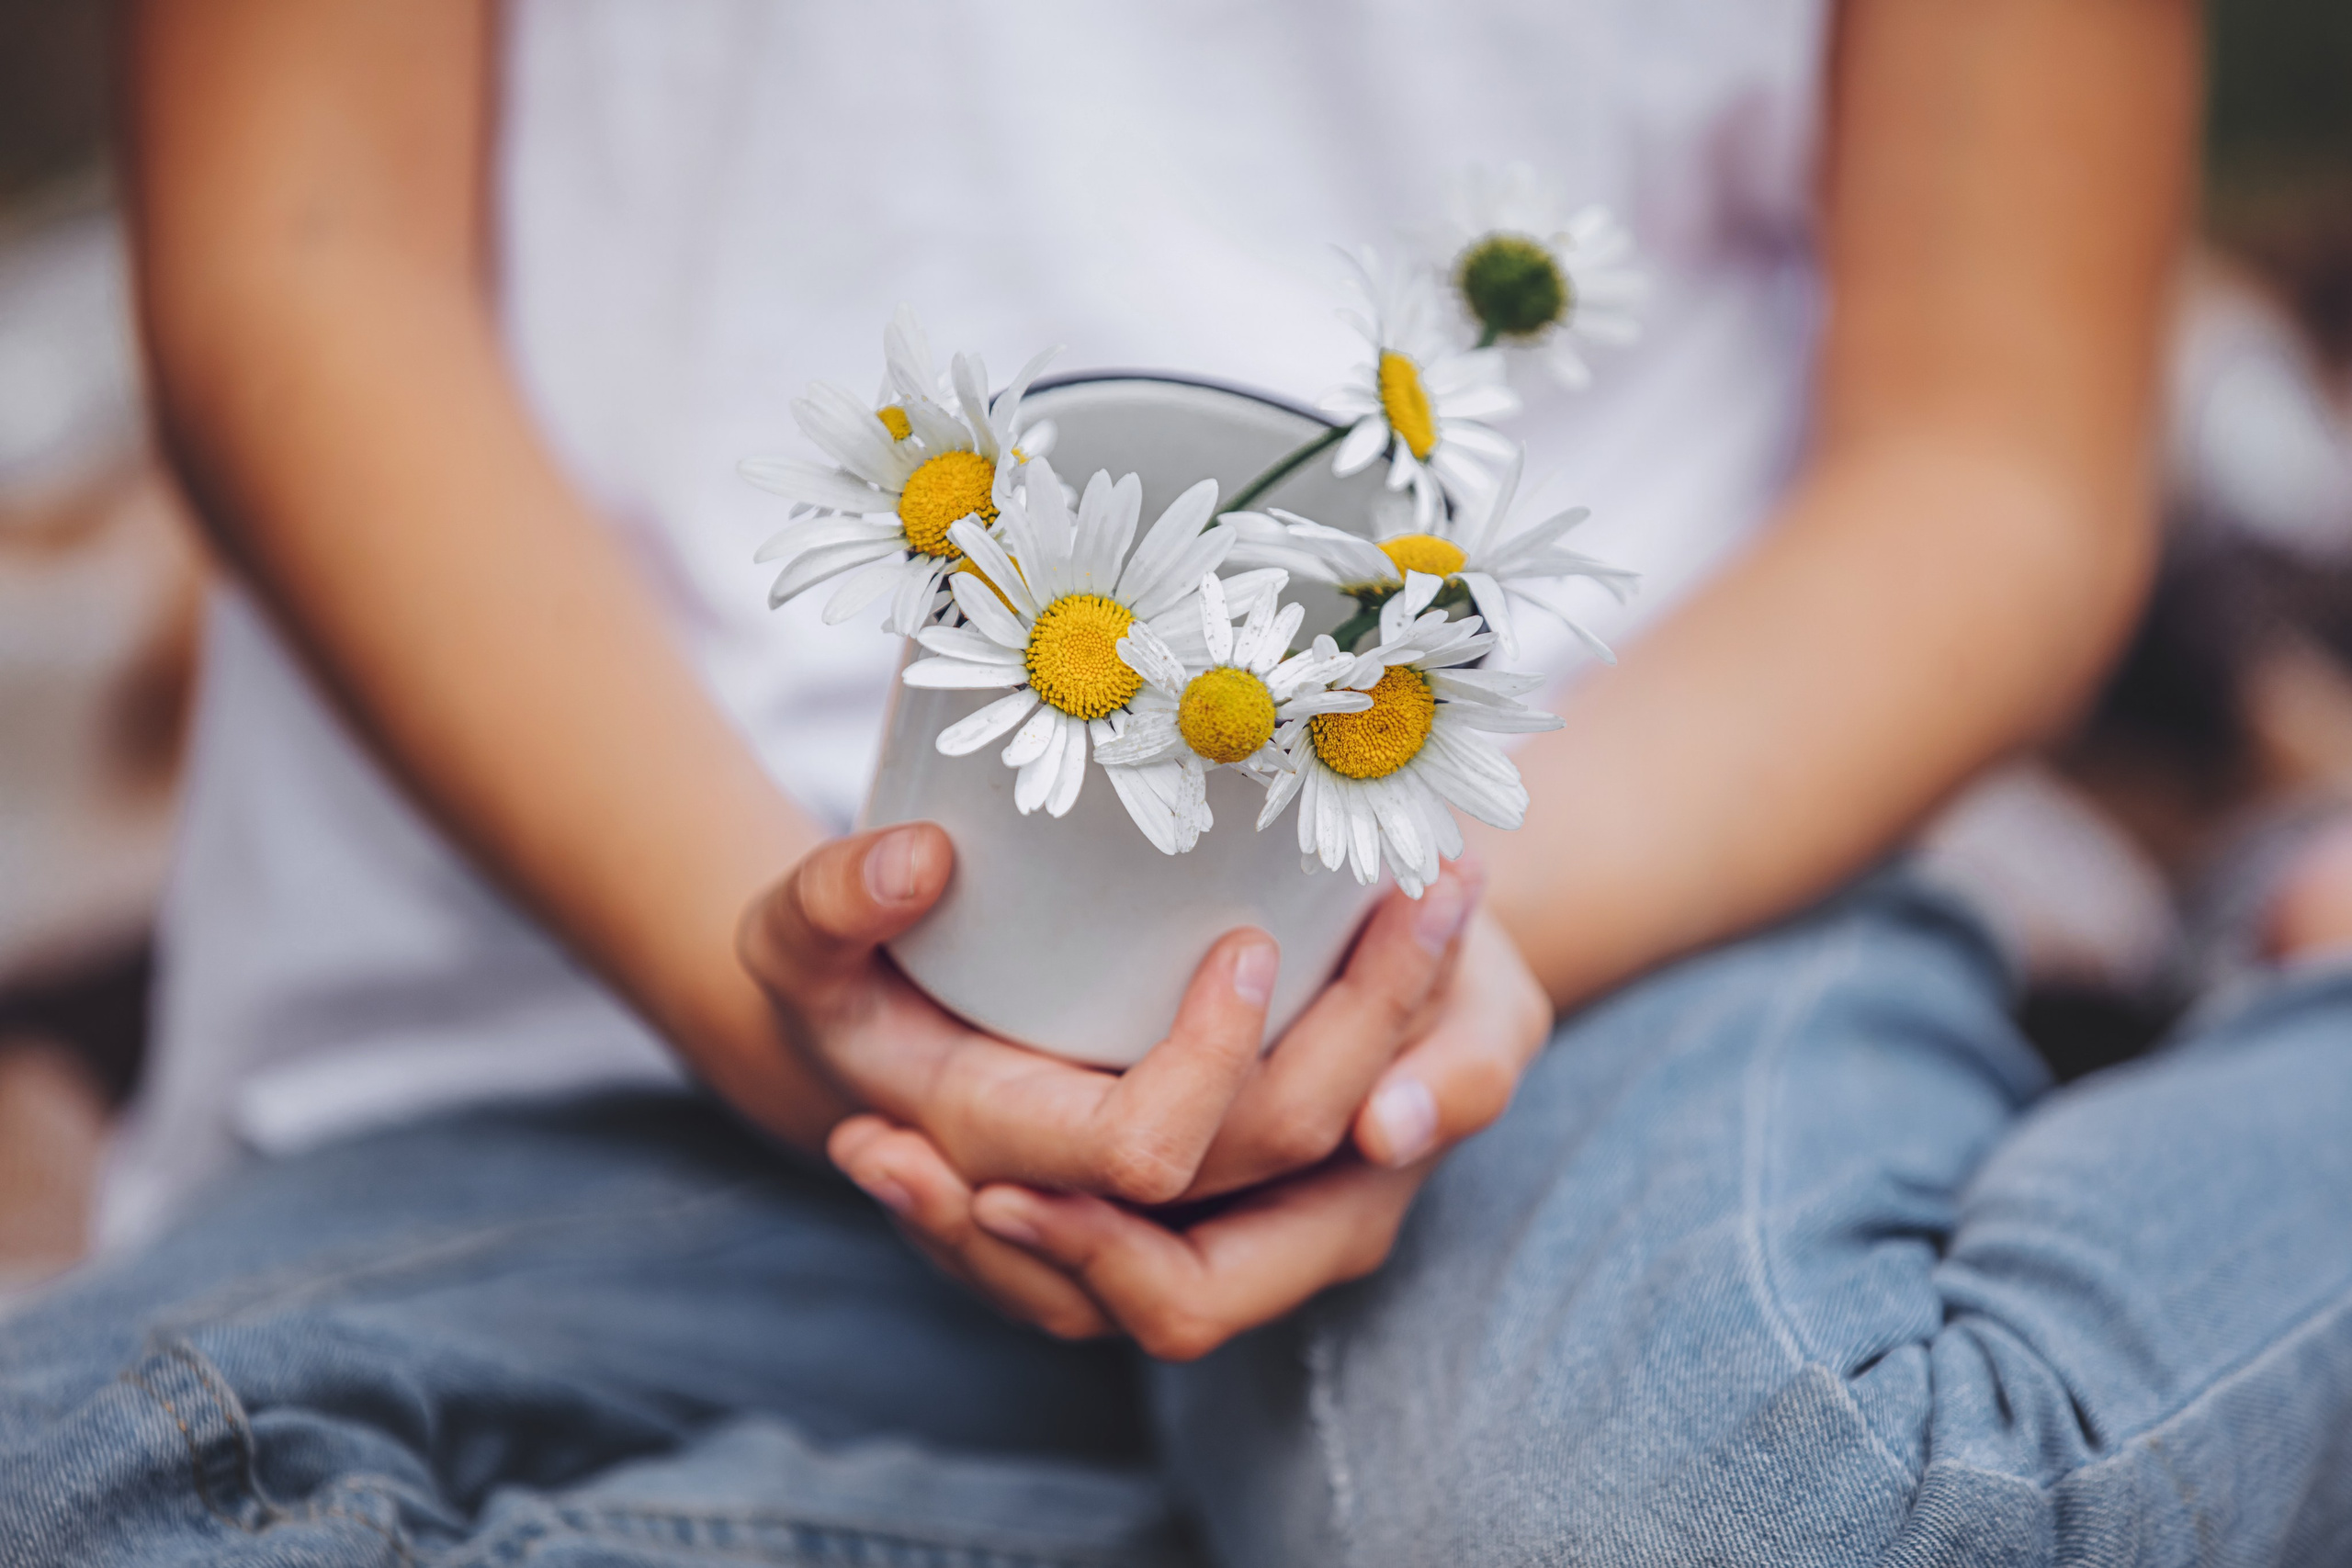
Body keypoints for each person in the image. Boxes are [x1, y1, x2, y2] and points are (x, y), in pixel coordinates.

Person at [15, 1, 2340, 1564]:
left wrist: (1422, 945)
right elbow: (298, 261)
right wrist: (784, 983)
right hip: (578, 986)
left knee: (1729, 1501)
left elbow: (1992, 458)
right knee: (84, 1488)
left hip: (1592, 923)